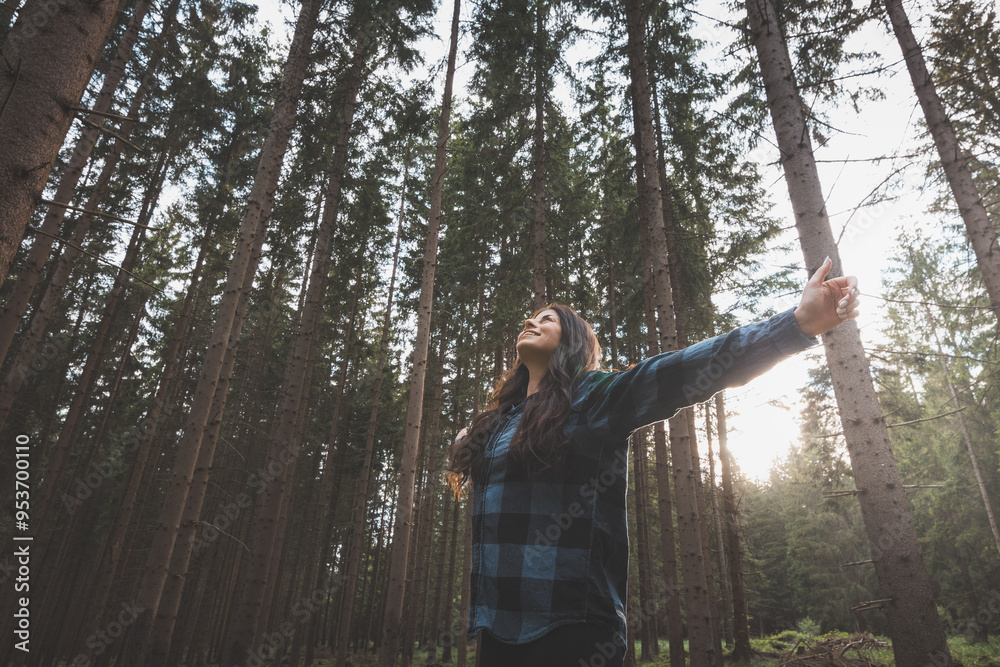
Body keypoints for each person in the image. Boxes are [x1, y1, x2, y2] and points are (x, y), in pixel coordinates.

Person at [446, 257, 860, 667]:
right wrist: (467, 446)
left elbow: (681, 371)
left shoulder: (591, 397)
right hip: (497, 624)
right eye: (532, 317)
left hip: (571, 625)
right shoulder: (501, 421)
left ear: (571, 342)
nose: (532, 322)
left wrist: (796, 325)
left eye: (548, 320)